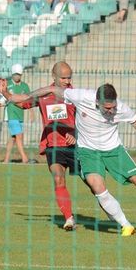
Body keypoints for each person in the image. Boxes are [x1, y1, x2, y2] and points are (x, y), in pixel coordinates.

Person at [0, 80, 136, 237]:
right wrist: (11, 96)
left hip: (114, 150)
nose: (111, 111)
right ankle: (126, 225)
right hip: (88, 152)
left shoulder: (122, 109)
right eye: (107, 108)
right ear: (97, 102)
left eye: (113, 107)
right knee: (97, 186)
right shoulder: (81, 96)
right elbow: (50, 89)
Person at [23, 62, 80, 231]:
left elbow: (86, 120)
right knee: (58, 179)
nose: (67, 81)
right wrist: (5, 97)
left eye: (69, 77)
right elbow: (22, 102)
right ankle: (69, 218)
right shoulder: (44, 95)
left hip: (75, 147)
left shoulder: (76, 95)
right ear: (53, 77)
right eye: (63, 78)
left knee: (93, 183)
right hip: (53, 146)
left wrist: (75, 133)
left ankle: (113, 212)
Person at [0, 64, 32, 164]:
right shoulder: (7, 85)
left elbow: (29, 101)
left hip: (20, 115)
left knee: (13, 138)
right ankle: (24, 158)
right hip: (11, 114)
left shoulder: (25, 86)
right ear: (12, 74)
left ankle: (6, 159)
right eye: (15, 74)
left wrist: (31, 112)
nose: (17, 76)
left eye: (18, 74)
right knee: (19, 135)